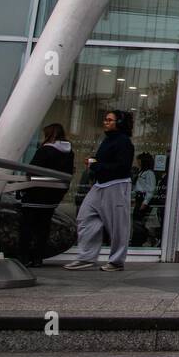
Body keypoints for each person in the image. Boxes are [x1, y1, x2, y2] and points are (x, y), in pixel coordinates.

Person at [64, 110, 135, 271]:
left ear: (119, 123)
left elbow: (122, 166)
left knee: (117, 225)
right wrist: (94, 163)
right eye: (106, 119)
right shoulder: (107, 140)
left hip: (117, 185)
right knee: (85, 217)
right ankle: (86, 257)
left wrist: (96, 165)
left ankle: (116, 261)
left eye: (110, 120)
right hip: (100, 184)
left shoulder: (123, 142)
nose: (106, 122)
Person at [18, 123, 74, 267]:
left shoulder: (45, 150)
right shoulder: (69, 152)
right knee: (43, 227)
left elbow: (32, 170)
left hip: (35, 194)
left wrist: (24, 188)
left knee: (27, 227)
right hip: (52, 196)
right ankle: (37, 257)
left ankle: (24, 257)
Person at [131, 152, 159, 247]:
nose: (138, 162)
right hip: (138, 198)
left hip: (143, 199)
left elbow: (150, 189)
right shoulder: (141, 172)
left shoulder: (149, 173)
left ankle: (144, 239)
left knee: (139, 221)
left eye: (139, 160)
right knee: (137, 221)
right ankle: (138, 240)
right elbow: (137, 188)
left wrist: (145, 202)